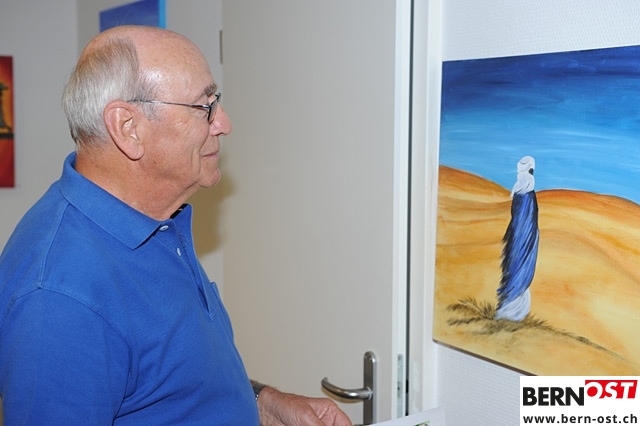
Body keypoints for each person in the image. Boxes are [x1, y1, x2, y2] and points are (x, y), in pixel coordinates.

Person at [0, 25, 351, 426]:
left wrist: (263, 403)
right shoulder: (60, 296)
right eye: (204, 107)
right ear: (128, 128)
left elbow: (167, 383)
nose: (224, 123)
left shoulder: (155, 219)